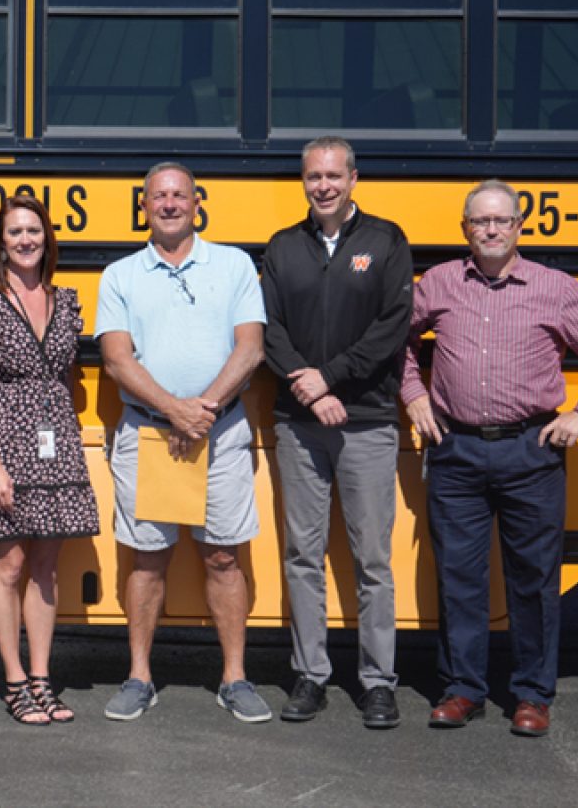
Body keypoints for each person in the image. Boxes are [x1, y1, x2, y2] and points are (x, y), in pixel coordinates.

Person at [402, 180, 578, 737]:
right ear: (464, 229)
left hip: (531, 451)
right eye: (481, 221)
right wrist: (413, 395)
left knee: (533, 579)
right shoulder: (438, 283)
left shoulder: (554, 288)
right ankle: (462, 689)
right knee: (458, 576)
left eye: (502, 220)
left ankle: (532, 695)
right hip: (456, 450)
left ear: (519, 227)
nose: (491, 229)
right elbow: (396, 341)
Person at [95, 161, 270, 724]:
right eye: (158, 196)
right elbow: (116, 359)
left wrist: (203, 410)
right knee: (147, 559)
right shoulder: (120, 275)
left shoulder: (234, 265)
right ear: (143, 206)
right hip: (149, 433)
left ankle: (235, 678)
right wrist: (174, 410)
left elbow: (251, 348)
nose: (169, 204)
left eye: (179, 195)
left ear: (197, 203)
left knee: (223, 555)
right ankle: (139, 677)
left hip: (221, 432)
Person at [261, 136, 413, 728]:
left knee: (372, 558)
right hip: (299, 425)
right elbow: (268, 328)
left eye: (332, 176)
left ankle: (378, 682)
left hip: (366, 423)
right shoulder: (283, 247)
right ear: (303, 182)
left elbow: (392, 327)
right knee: (302, 554)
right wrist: (309, 389)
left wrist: (329, 378)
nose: (322, 186)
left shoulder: (386, 241)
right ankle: (310, 675)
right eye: (313, 177)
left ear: (353, 179)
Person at [0, 195, 100, 725]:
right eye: (14, 232)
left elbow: (63, 374)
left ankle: (42, 678)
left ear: (47, 238)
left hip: (55, 442)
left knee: (45, 567)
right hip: (6, 443)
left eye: (33, 230)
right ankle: (14, 681)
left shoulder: (66, 300)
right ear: (0, 243)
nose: (25, 240)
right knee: (10, 564)